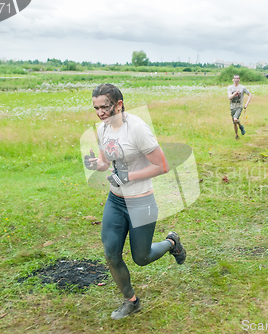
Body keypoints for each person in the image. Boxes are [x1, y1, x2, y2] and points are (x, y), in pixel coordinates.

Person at [84, 83, 186, 320]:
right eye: (96, 108)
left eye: (105, 107)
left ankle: (172, 242)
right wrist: (95, 165)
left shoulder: (137, 128)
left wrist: (128, 176)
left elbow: (162, 166)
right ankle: (131, 301)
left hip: (141, 202)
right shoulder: (102, 129)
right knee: (111, 255)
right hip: (116, 201)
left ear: (119, 105)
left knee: (141, 258)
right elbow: (105, 163)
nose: (100, 113)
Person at [227, 74, 252, 139]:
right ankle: (237, 134)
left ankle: (241, 126)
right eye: (235, 78)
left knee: (235, 119)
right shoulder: (230, 87)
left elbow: (249, 94)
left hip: (239, 106)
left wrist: (247, 103)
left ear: (239, 79)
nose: (236, 80)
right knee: (234, 123)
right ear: (233, 79)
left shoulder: (242, 88)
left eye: (237, 78)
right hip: (232, 107)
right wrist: (235, 93)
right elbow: (229, 97)